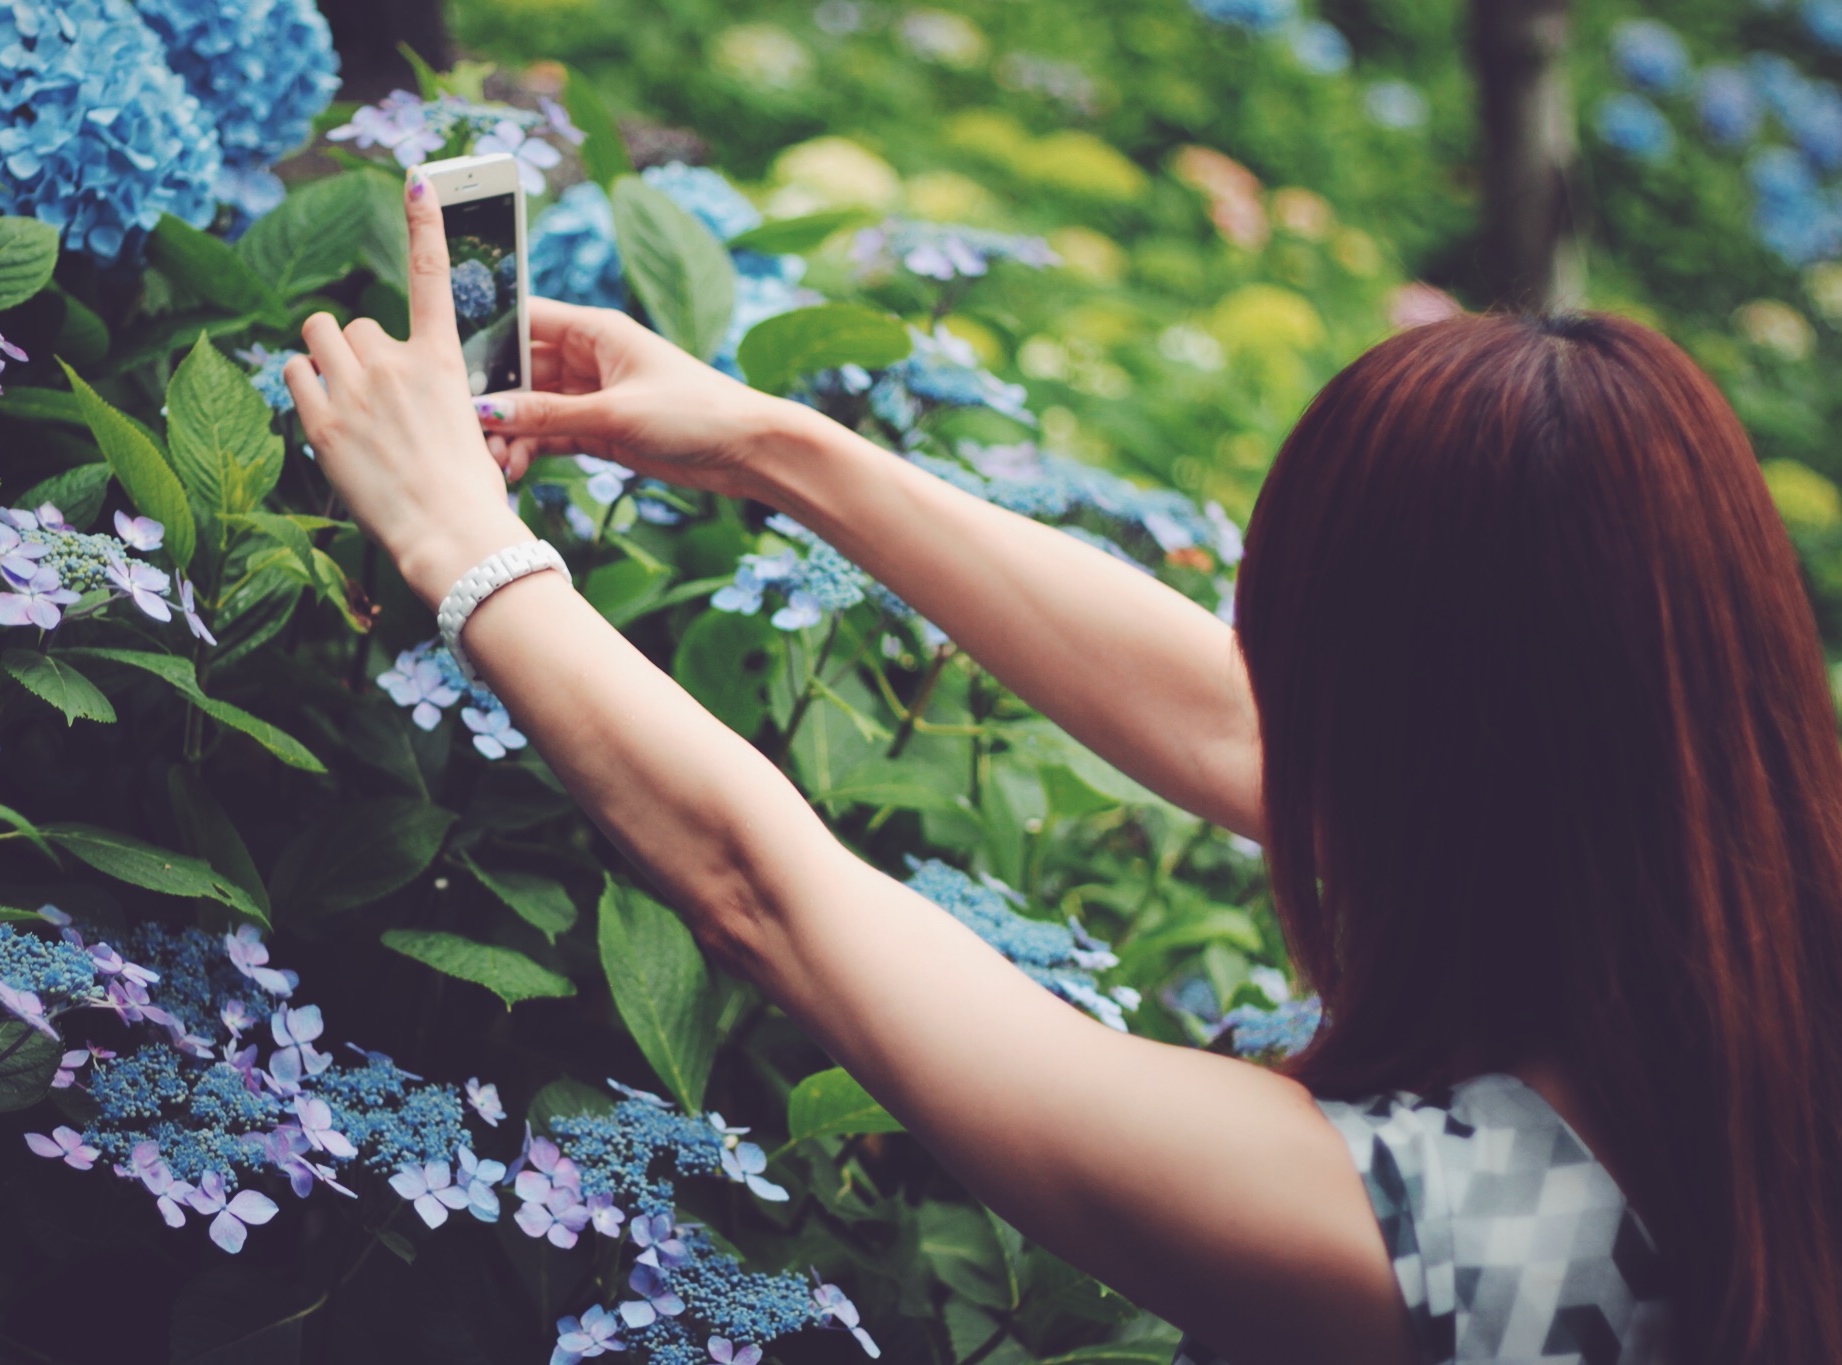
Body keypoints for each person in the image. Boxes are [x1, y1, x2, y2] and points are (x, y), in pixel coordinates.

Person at [281, 172, 1842, 1365]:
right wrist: (763, 441)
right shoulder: (1747, 936)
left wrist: (458, 540)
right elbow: (1246, 724)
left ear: (1419, 748)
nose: (1271, 698)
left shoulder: (1459, 1233)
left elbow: (771, 893)